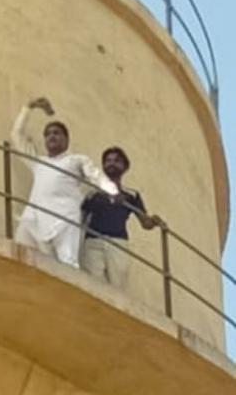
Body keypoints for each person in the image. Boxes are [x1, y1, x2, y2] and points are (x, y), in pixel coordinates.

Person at [10, 96, 116, 268]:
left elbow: (96, 176)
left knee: (67, 266)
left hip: (64, 219)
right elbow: (16, 136)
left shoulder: (76, 160)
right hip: (35, 218)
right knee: (19, 258)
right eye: (48, 134)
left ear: (66, 140)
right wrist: (28, 107)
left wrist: (113, 192)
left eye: (56, 133)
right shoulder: (39, 163)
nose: (52, 136)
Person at [81, 146, 161, 288]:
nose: (111, 163)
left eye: (116, 160)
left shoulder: (131, 195)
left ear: (124, 167)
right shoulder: (92, 192)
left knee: (118, 286)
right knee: (92, 284)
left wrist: (154, 221)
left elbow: (145, 222)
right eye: (108, 160)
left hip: (118, 244)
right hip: (93, 241)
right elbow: (81, 217)